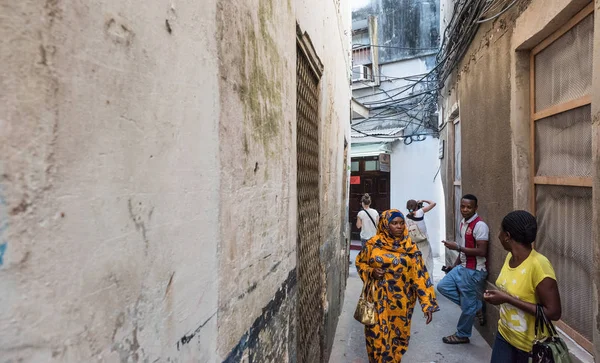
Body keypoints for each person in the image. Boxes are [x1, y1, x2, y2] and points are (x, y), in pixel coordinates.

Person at [356, 209, 439, 362]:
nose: (399, 226)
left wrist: (427, 304)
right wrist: (371, 271)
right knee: (377, 340)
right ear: (385, 225)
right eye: (394, 223)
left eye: (401, 223)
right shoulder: (372, 245)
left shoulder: (411, 248)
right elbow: (360, 262)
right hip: (377, 302)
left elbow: (420, 276)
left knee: (397, 342)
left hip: (401, 306)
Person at [484, 210, 561, 363]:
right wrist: (499, 296)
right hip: (504, 335)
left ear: (507, 236)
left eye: (500, 231)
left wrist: (507, 299)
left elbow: (554, 312)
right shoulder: (510, 257)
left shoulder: (539, 266)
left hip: (531, 347)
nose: (498, 235)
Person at [437, 194, 489, 344]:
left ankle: (462, 334)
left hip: (473, 271)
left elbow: (482, 251)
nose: (465, 209)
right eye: (463, 206)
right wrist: (454, 265)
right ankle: (476, 306)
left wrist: (458, 247)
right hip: (462, 267)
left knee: (467, 306)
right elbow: (463, 250)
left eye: (469, 207)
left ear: (475, 208)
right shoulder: (462, 223)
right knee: (442, 286)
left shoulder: (480, 226)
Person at [406, 199, 436, 274]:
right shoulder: (420, 212)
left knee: (416, 262)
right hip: (423, 242)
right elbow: (433, 203)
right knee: (427, 263)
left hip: (413, 243)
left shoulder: (407, 218)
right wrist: (423, 200)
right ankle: (427, 280)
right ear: (416, 206)